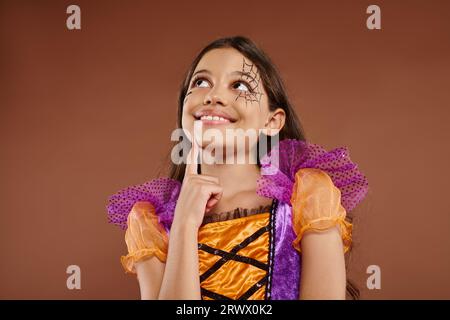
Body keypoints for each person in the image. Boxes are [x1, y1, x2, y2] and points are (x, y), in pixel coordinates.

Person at [106, 36, 369, 300]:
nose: (213, 96)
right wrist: (184, 224)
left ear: (273, 121)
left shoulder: (309, 196)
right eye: (200, 82)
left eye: (240, 85)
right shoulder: (150, 221)